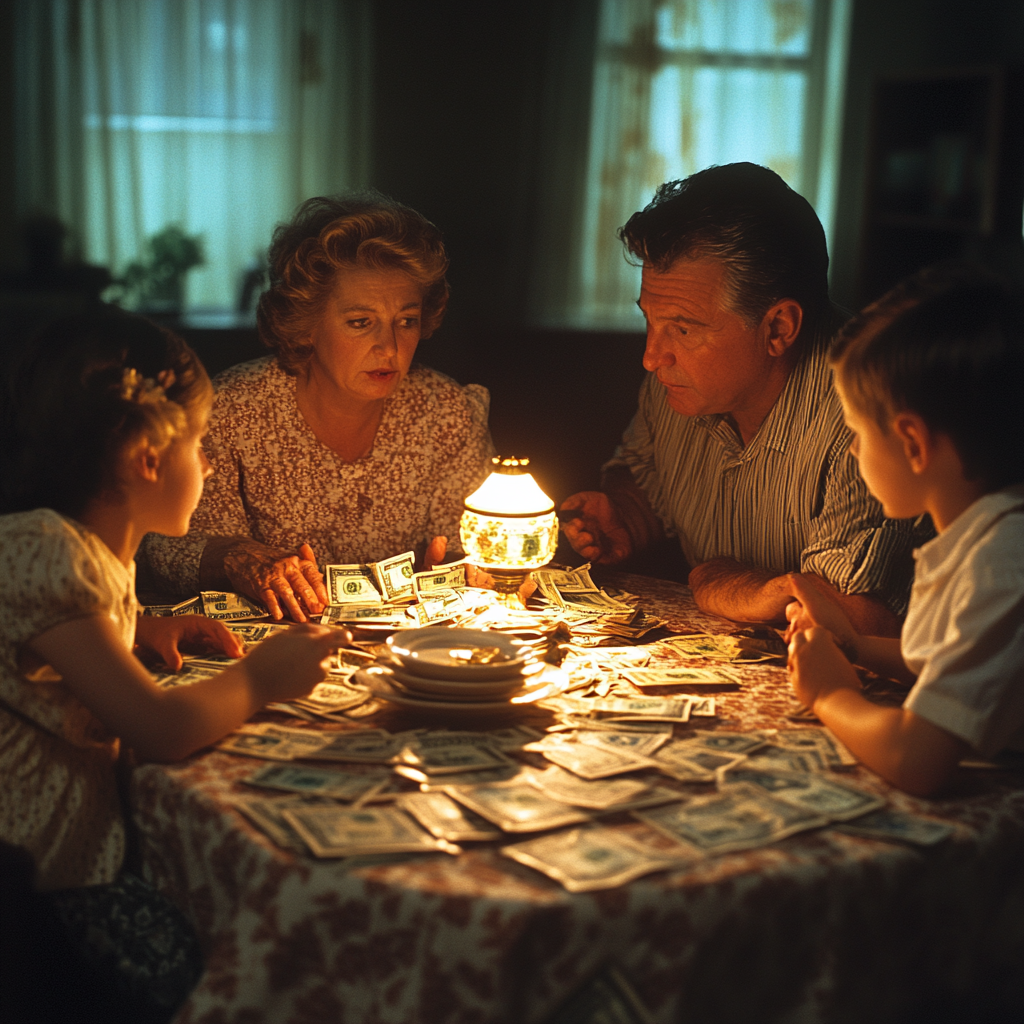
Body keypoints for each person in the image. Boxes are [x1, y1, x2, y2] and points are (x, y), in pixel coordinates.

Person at [0, 309, 345, 1020]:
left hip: (71, 862)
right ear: (148, 460)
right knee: (239, 978)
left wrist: (138, 630)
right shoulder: (50, 550)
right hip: (40, 892)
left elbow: (36, 648)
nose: (209, 463)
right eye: (200, 445)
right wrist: (263, 677)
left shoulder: (83, 551)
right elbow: (159, 729)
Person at [560, 163, 928, 634]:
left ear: (777, 328)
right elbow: (645, 472)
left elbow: (869, 621)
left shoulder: (870, 410)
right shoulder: (678, 381)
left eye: (684, 328)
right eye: (650, 320)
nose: (652, 357)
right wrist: (628, 512)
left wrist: (735, 585)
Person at [140, 193, 494, 621]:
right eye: (360, 322)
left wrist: (463, 571)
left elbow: (477, 553)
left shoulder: (448, 413)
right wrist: (238, 558)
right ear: (305, 326)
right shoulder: (231, 411)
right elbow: (164, 549)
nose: (389, 347)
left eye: (406, 321)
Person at [785, 265, 1024, 796]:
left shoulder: (1004, 560)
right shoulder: (981, 533)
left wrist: (830, 694)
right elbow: (947, 665)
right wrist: (854, 646)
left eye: (856, 433)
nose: (852, 450)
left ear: (912, 443)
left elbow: (916, 760)